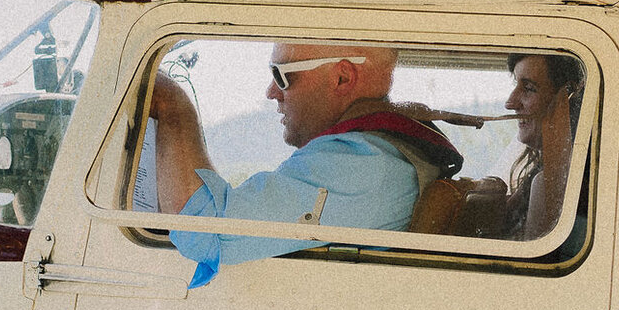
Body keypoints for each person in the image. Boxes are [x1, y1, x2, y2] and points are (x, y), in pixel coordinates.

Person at [146, 43, 461, 284]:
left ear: (341, 77)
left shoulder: (358, 165)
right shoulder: (385, 152)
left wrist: (173, 104)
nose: (271, 92)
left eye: (282, 76)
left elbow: (203, 228)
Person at [456, 53, 583, 240]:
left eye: (529, 88)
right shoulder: (536, 177)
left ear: (566, 102)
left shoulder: (547, 183)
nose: (510, 104)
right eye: (515, 85)